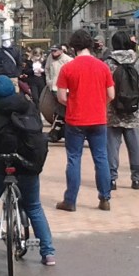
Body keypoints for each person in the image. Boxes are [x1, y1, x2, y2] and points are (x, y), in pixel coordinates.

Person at [0, 75, 55, 268]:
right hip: (29, 165)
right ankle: (48, 252)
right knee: (34, 206)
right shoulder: (30, 108)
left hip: (3, 166)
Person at [55, 29, 114, 212]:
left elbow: (61, 97)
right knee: (101, 158)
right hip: (98, 118)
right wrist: (100, 102)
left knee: (74, 159)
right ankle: (104, 198)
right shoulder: (103, 66)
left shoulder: (68, 68)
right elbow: (111, 94)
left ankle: (70, 200)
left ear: (73, 48)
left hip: (76, 119)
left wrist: (73, 101)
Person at [105, 31, 139, 191]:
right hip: (133, 111)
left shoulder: (109, 62)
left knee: (112, 146)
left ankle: (112, 178)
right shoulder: (137, 61)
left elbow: (105, 87)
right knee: (135, 145)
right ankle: (136, 179)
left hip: (113, 110)